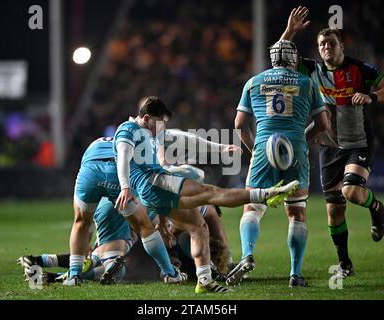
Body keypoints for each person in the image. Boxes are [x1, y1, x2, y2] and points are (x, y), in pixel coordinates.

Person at [113, 96, 299, 293]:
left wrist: (219, 148)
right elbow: (123, 156)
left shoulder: (150, 132)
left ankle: (204, 280)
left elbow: (188, 139)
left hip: (154, 190)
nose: (163, 129)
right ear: (147, 118)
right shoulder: (129, 129)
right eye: (161, 124)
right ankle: (267, 194)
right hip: (155, 183)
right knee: (211, 193)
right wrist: (125, 187)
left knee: (198, 226)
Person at [280, 6, 384, 278]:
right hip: (329, 146)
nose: (326, 47)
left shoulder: (361, 70)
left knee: (351, 192)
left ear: (341, 45)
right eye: (322, 44)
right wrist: (290, 30)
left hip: (359, 142)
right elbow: (280, 57)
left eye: (331, 43)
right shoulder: (312, 69)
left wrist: (372, 97)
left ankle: (376, 207)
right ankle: (345, 263)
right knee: (334, 212)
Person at [227, 38, 328, 287]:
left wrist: (254, 151)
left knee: (252, 208)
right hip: (295, 147)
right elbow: (324, 125)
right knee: (297, 213)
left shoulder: (254, 82)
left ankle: (247, 255)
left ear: (271, 59)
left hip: (263, 146)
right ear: (293, 59)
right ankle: (295, 274)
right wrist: (302, 140)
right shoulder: (308, 82)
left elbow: (239, 124)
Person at [64, 136, 186, 286]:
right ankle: (170, 273)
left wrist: (86, 239)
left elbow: (85, 224)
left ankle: (74, 275)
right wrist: (162, 221)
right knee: (144, 227)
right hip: (118, 175)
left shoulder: (99, 140)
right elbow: (157, 184)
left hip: (90, 171)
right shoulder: (146, 144)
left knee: (80, 222)